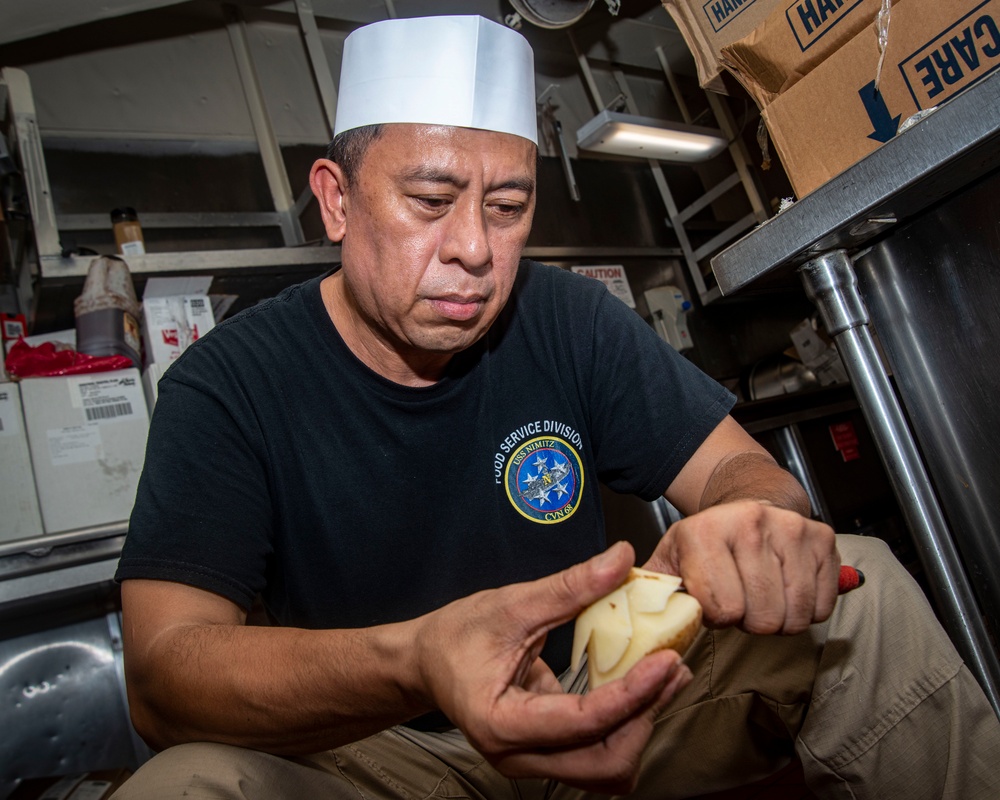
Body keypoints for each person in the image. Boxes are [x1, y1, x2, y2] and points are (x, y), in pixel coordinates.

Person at [111, 14, 1000, 799]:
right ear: (337, 200)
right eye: (430, 202)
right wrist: (418, 658)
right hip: (374, 754)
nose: (473, 250)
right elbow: (162, 676)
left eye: (507, 207)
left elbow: (739, 468)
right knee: (184, 785)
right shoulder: (229, 384)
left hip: (598, 704)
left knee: (861, 586)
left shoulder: (566, 318)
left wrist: (753, 518)